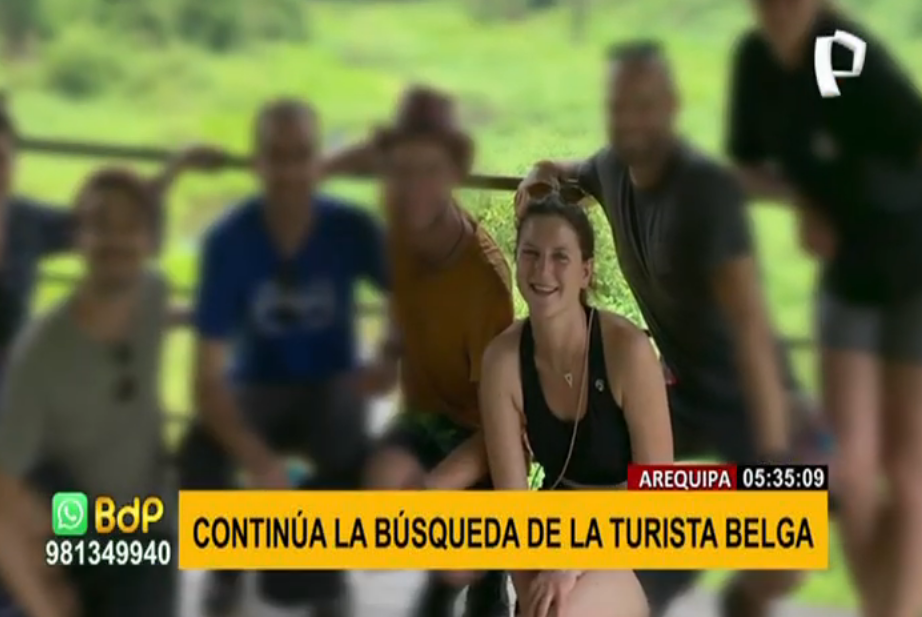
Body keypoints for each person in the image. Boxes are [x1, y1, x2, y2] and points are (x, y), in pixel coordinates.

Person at [514, 41, 816, 617]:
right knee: (602, 464)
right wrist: (537, 174)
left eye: (646, 104)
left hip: (750, 401)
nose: (632, 119)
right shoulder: (610, 166)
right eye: (621, 105)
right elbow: (565, 169)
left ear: (671, 107)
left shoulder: (704, 194)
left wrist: (776, 459)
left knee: (782, 548)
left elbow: (752, 332)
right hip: (680, 395)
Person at [727, 3, 922, 617]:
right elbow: (745, 165)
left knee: (909, 471)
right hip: (847, 277)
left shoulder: (842, 51)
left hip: (913, 269)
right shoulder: (755, 62)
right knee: (850, 470)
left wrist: (853, 201)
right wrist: (806, 201)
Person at [180, 97, 396, 617]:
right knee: (198, 452)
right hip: (256, 387)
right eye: (276, 156)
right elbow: (206, 380)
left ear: (318, 160)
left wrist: (390, 355)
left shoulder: (350, 227)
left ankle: (323, 575)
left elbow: (411, 292)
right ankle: (228, 565)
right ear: (257, 163)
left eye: (301, 155)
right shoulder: (228, 241)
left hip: (331, 388)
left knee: (346, 440)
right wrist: (257, 460)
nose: (290, 172)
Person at [324, 86, 515, 617]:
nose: (413, 187)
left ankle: (480, 579)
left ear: (454, 172)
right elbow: (403, 302)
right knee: (374, 507)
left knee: (457, 559)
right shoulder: (401, 226)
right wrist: (387, 356)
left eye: (430, 170)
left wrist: (434, 490)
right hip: (422, 420)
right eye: (401, 170)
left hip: (483, 440)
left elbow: (505, 427)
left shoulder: (484, 282)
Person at [480, 194, 672, 617]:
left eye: (560, 257)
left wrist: (577, 560)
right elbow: (512, 509)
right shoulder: (502, 360)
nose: (542, 270)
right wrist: (530, 600)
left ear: (586, 272)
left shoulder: (627, 351)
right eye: (530, 254)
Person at [0, 168, 177, 617]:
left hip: (149, 514)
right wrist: (45, 603)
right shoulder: (40, 354)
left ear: (152, 242)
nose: (115, 239)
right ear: (77, 238)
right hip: (81, 523)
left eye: (130, 225)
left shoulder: (154, 294)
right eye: (100, 224)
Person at [0, 106, 225, 374]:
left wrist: (174, 169)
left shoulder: (25, 221)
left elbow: (104, 220)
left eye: (2, 160)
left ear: (16, 162)